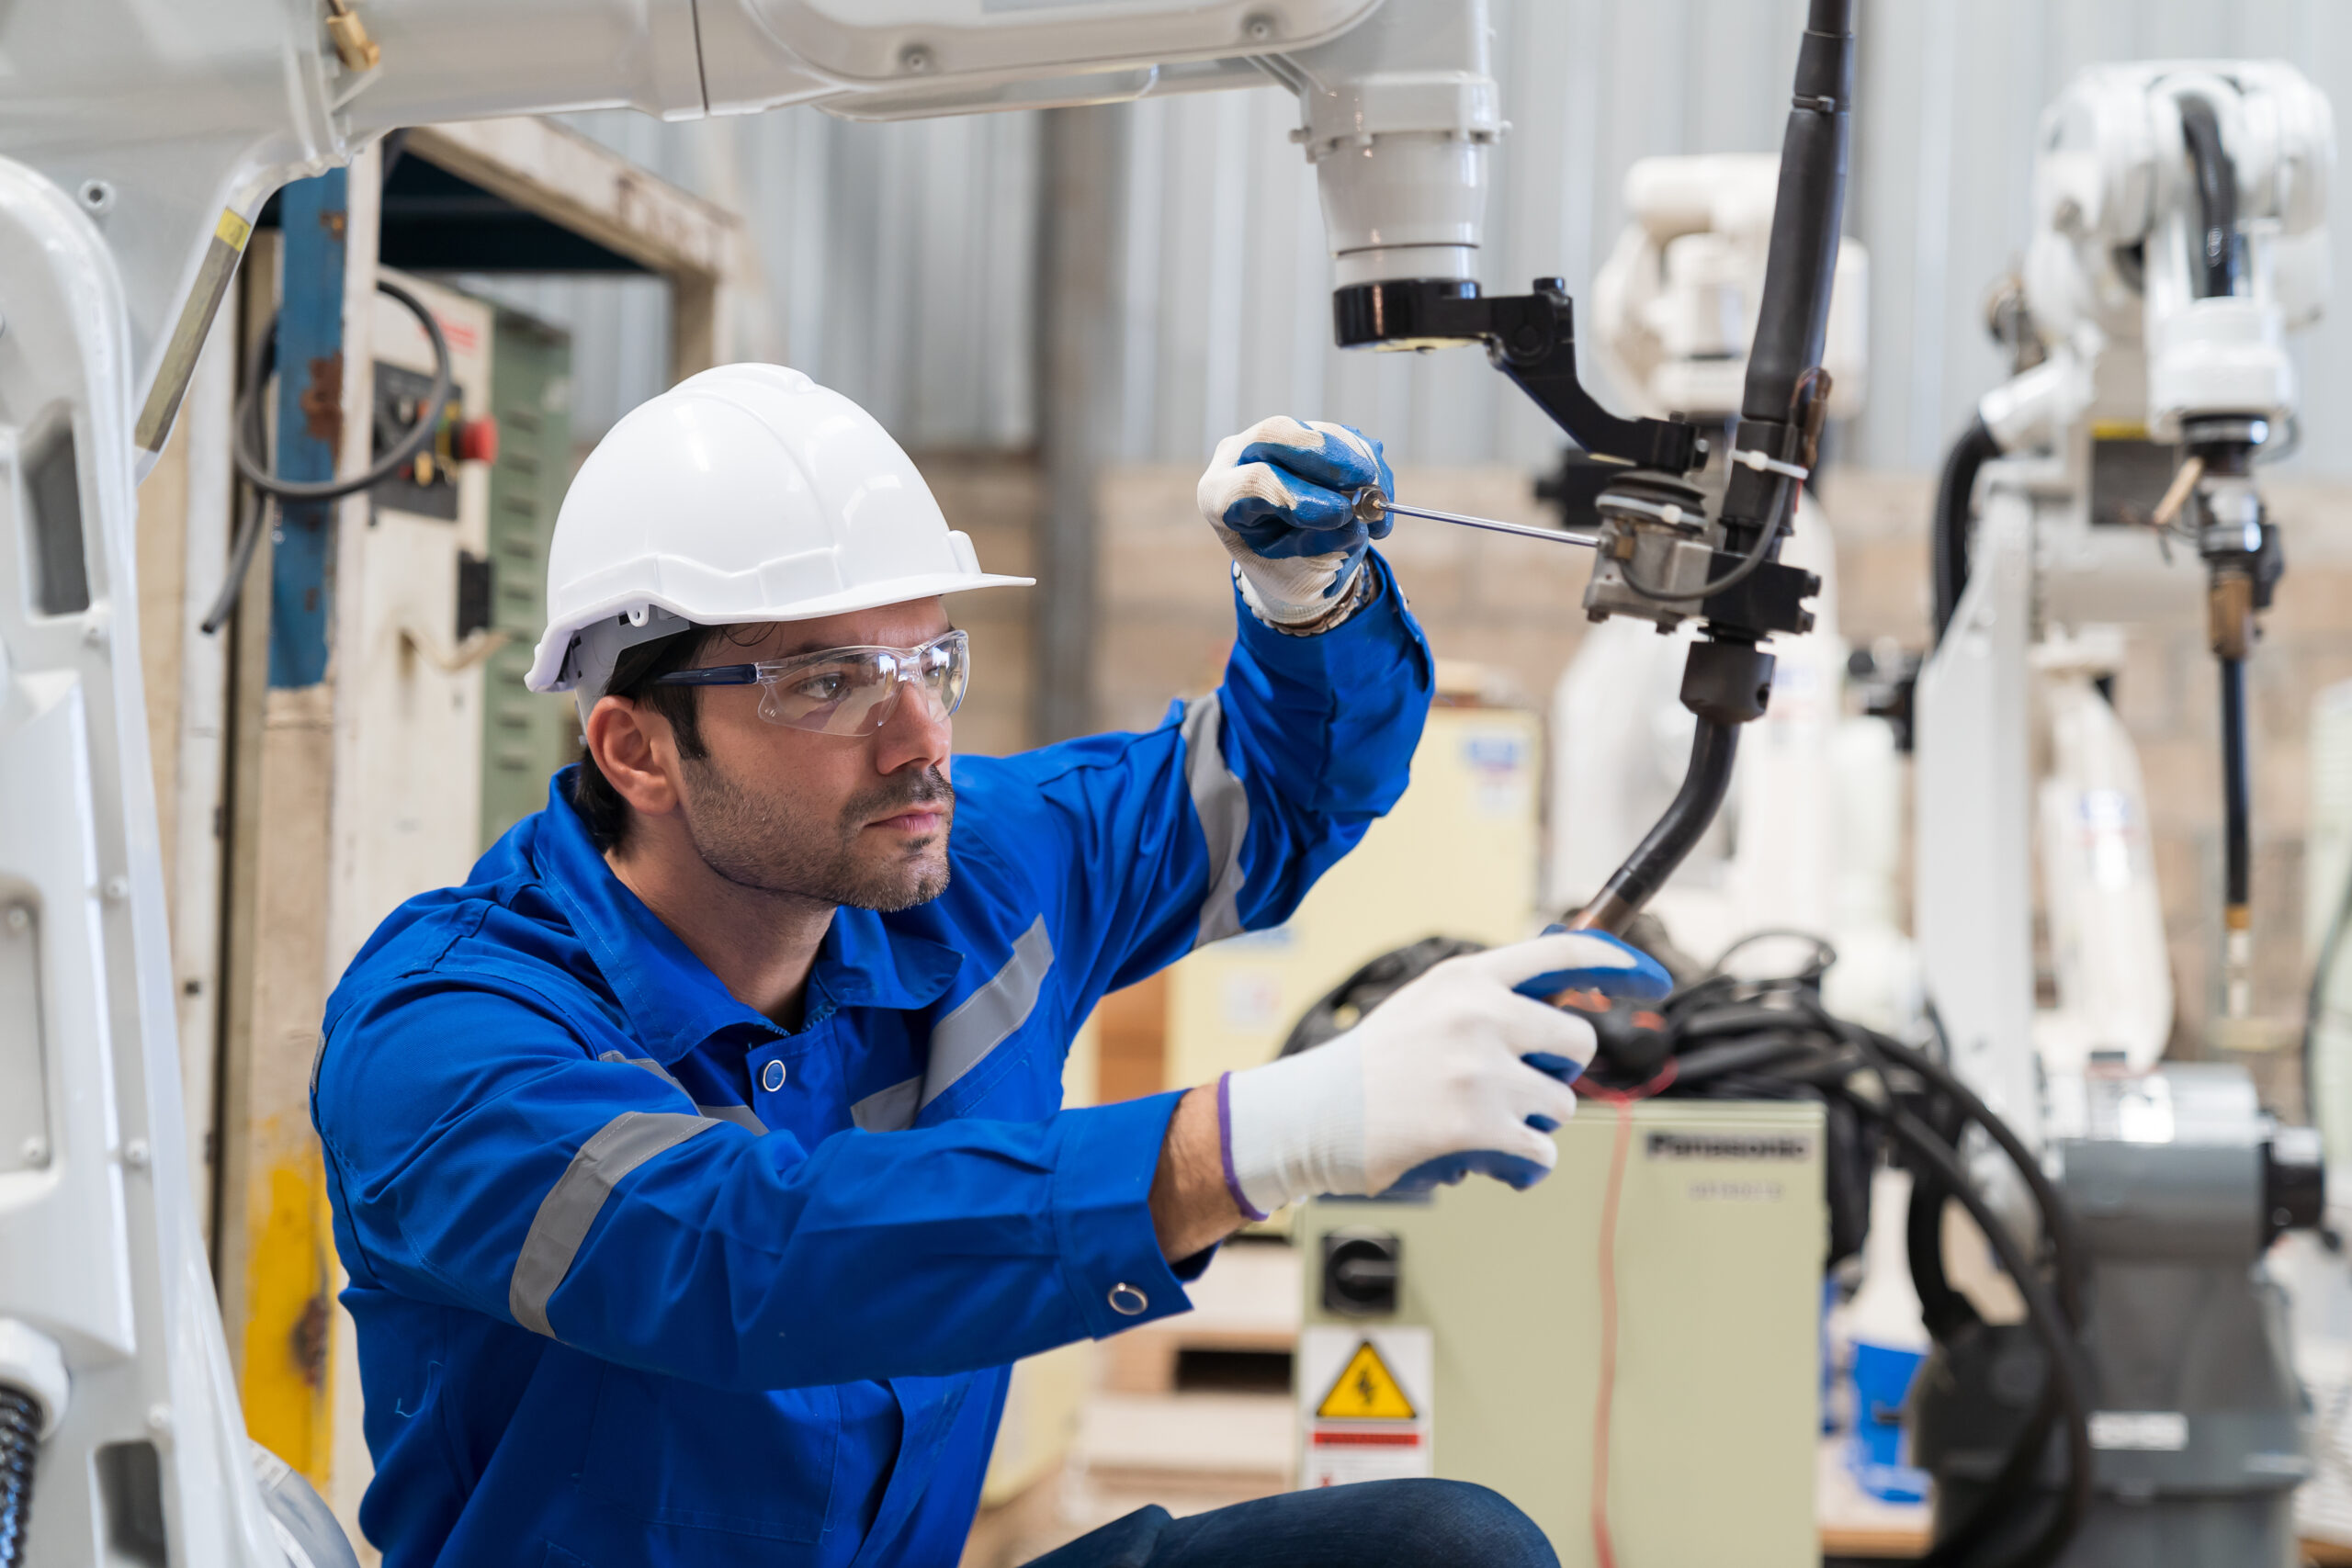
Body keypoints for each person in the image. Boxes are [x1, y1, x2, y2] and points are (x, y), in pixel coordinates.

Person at [313, 364, 1658, 1568]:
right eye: (828, 682)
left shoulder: (966, 876)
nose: (919, 740)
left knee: (1444, 1552)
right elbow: (738, 1255)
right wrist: (1256, 1140)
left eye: (930, 660)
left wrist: (1312, 603)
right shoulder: (443, 1039)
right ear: (637, 750)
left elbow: (1269, 797)